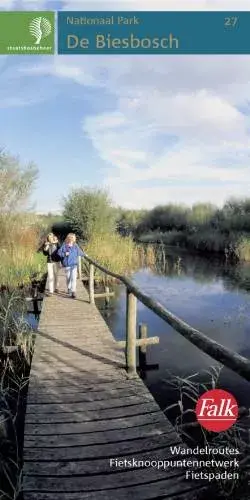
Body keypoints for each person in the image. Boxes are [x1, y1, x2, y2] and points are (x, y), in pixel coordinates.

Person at [57, 233, 86, 299]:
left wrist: (85, 255)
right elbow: (59, 253)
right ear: (68, 238)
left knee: (73, 278)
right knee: (68, 278)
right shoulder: (64, 245)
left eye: (73, 238)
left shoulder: (75, 245)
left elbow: (80, 252)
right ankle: (69, 288)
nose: (72, 239)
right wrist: (65, 253)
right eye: (71, 238)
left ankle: (73, 292)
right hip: (67, 265)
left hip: (74, 265)